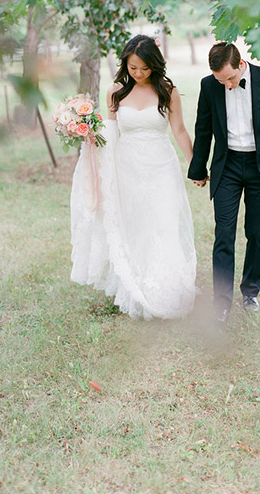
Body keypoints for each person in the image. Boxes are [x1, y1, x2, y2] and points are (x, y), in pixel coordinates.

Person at [70, 35, 196, 320]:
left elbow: (179, 130)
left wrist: (195, 165)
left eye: (144, 68)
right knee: (136, 225)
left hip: (161, 166)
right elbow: (111, 133)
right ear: (125, 64)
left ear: (155, 65)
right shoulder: (115, 92)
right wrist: (90, 133)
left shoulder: (167, 90)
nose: (138, 74)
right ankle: (138, 286)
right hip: (128, 168)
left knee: (163, 223)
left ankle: (166, 286)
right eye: (133, 67)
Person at [188, 42, 260, 324]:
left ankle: (250, 292)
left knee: (256, 232)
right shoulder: (209, 85)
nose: (226, 85)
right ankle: (221, 302)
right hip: (228, 166)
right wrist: (198, 168)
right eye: (219, 80)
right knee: (223, 233)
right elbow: (203, 128)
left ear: (241, 64)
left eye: (230, 79)